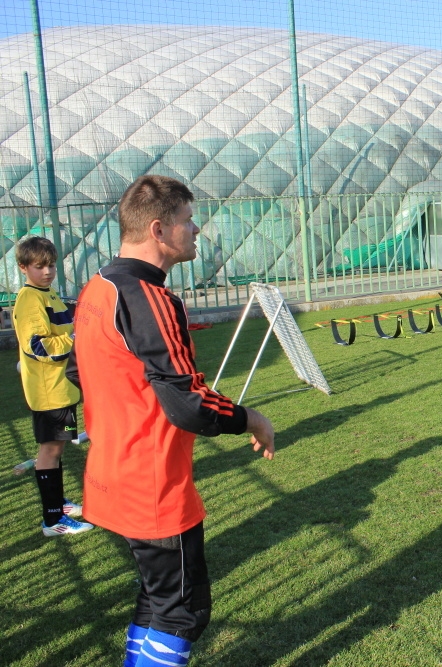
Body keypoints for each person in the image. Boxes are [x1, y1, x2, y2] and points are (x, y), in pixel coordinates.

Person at [68, 175, 275, 667]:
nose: (196, 228)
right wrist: (252, 419)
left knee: (158, 597)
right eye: (188, 220)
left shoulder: (96, 288)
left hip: (111, 472)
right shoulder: (150, 298)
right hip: (152, 484)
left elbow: (80, 369)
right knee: (183, 611)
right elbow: (188, 403)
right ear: (159, 230)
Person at [12, 236, 94, 537]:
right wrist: (76, 338)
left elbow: (64, 324)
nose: (47, 272)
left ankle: (58, 503)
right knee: (50, 449)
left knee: (55, 449)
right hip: (49, 390)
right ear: (23, 267)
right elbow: (37, 345)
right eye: (39, 266)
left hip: (61, 387)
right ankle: (52, 519)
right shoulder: (30, 298)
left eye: (51, 265)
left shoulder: (47, 293)